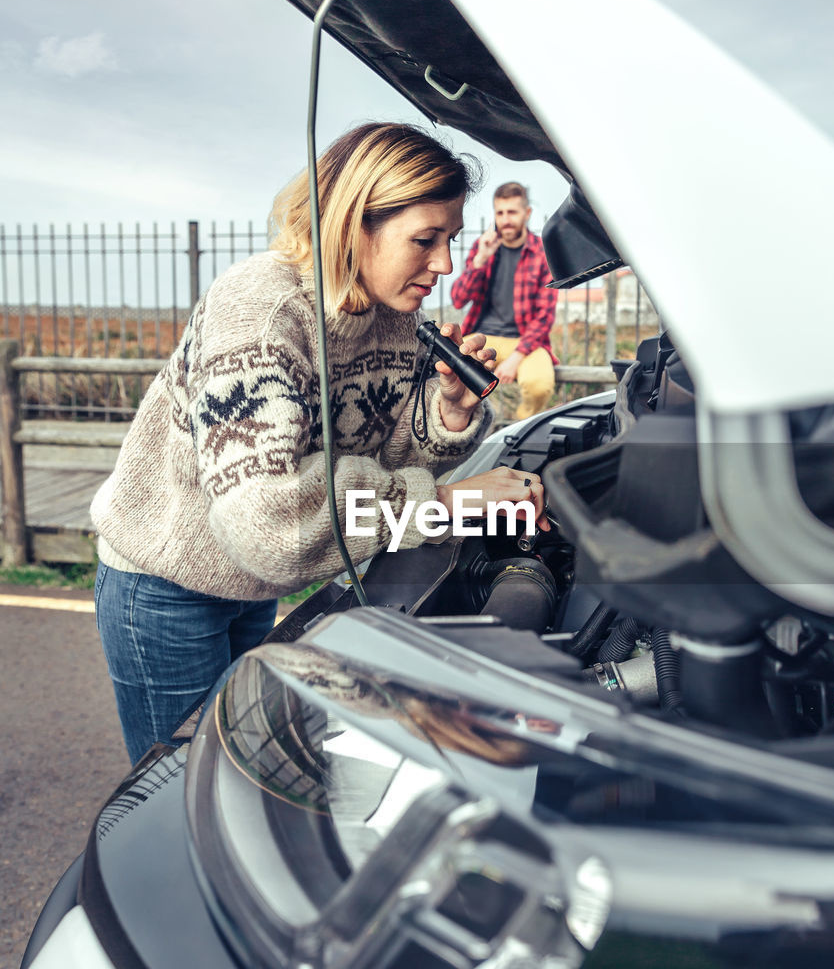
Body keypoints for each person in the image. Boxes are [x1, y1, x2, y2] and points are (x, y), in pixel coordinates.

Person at [91, 123, 548, 766]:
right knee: (189, 782)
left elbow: (386, 462)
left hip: (255, 583)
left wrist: (443, 412)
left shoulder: (394, 314)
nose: (444, 265)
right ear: (353, 221)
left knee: (251, 758)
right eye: (425, 240)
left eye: (450, 240)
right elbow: (269, 523)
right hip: (167, 587)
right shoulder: (262, 312)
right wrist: (447, 502)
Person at [450, 181, 558, 420]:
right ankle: (474, 428)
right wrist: (480, 261)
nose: (506, 219)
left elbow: (545, 316)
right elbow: (458, 299)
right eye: (500, 212)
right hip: (483, 337)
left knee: (540, 384)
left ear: (527, 213)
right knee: (454, 373)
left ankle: (520, 427)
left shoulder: (542, 253)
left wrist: (516, 358)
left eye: (512, 212)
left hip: (527, 343)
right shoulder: (483, 247)